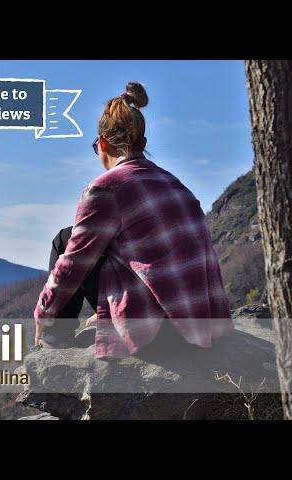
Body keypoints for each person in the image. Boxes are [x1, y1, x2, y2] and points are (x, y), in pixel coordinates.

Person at [33, 81, 234, 358]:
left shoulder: (105, 188)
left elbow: (74, 263)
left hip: (157, 333)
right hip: (202, 321)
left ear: (102, 143)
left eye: (96, 147)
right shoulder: (176, 184)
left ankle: (55, 340)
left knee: (65, 240)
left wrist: (43, 313)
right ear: (144, 143)